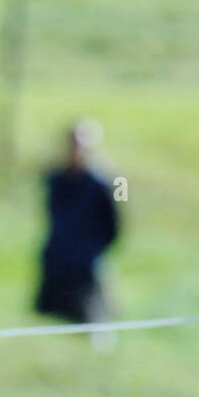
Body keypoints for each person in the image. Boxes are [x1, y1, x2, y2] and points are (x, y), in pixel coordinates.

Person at [35, 120, 119, 324]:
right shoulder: (55, 178)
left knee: (90, 314)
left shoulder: (101, 183)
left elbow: (112, 225)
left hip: (86, 260)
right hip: (58, 255)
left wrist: (91, 249)